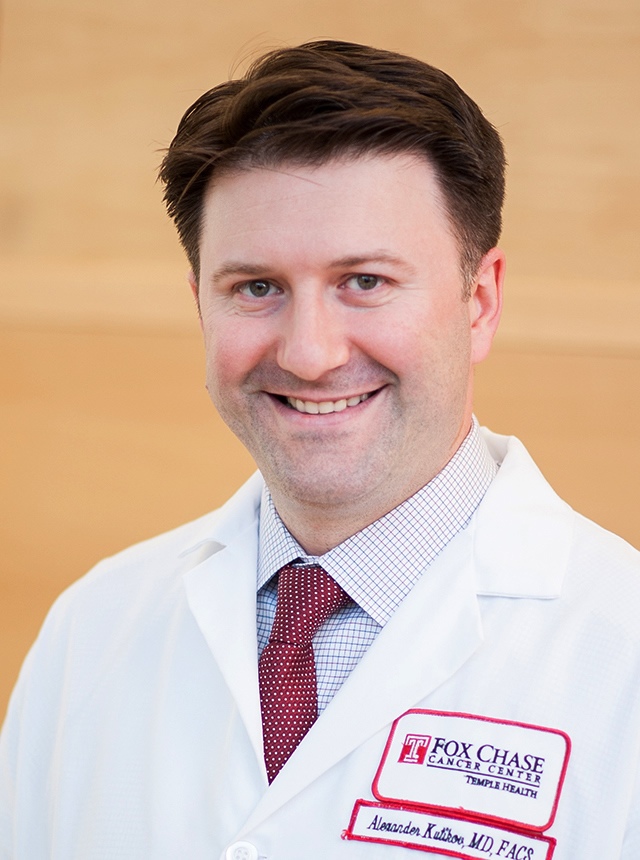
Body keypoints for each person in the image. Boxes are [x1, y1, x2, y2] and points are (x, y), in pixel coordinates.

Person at [1, 40, 639, 860]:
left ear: (478, 303)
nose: (309, 353)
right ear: (201, 305)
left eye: (364, 281)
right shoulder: (93, 632)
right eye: (256, 287)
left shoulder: (618, 655)